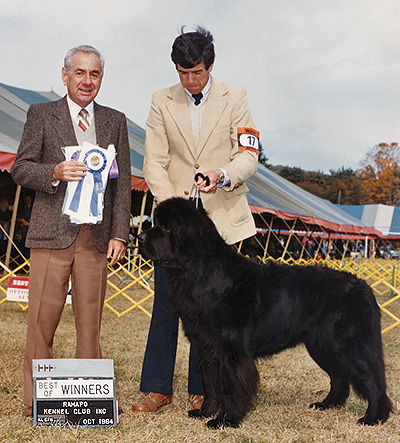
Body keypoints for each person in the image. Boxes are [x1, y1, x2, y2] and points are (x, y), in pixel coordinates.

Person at [132, 26, 259, 414]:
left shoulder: (235, 97)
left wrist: (222, 174)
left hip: (223, 217)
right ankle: (156, 388)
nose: (190, 80)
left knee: (215, 310)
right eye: (183, 73)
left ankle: (205, 388)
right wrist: (173, 208)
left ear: (211, 65)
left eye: (198, 73)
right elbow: (154, 161)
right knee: (167, 305)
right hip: (175, 225)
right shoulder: (160, 101)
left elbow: (249, 155)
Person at [10, 45, 131, 417]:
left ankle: (90, 402)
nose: (87, 81)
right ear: (65, 75)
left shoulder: (115, 120)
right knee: (41, 321)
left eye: (94, 74)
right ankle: (37, 400)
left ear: (101, 79)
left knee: (90, 322)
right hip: (51, 236)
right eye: (79, 73)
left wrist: (120, 233)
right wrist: (54, 172)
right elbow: (20, 168)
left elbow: (122, 183)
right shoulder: (41, 114)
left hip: (95, 239)